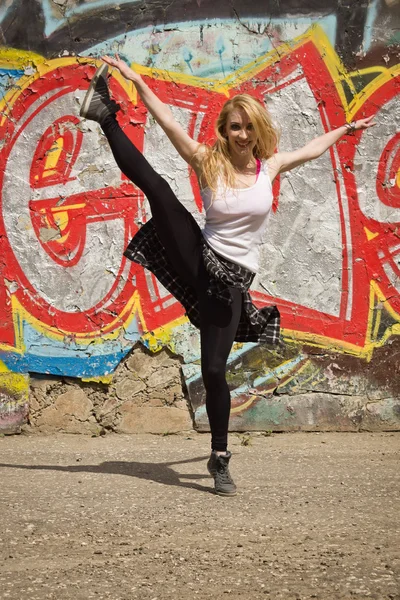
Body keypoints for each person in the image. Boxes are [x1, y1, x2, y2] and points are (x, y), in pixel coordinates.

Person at [79, 56, 375, 496]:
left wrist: (344, 131)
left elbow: (312, 149)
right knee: (158, 188)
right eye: (234, 127)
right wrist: (138, 81)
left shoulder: (268, 168)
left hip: (232, 282)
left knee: (215, 370)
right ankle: (104, 115)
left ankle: (219, 458)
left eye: (248, 127)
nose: (242, 134)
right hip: (199, 256)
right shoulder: (207, 162)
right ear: (225, 130)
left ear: (257, 131)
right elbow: (168, 122)